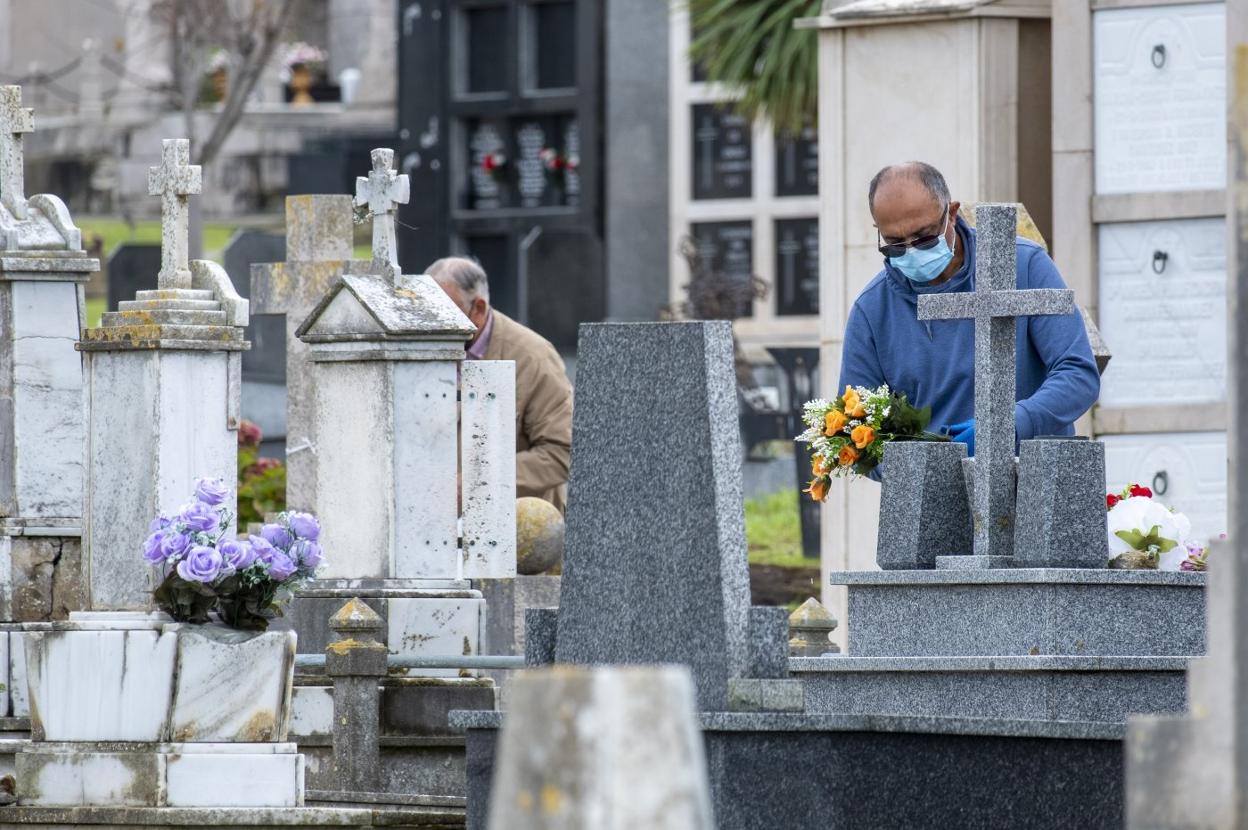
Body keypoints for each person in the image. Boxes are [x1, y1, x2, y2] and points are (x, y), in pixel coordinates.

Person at [838, 162, 1099, 460]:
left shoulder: (1024, 265)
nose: (911, 252)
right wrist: (923, 467)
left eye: (924, 238)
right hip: (932, 494)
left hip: (1035, 478)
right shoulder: (872, 310)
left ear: (951, 213)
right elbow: (855, 433)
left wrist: (1011, 425)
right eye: (894, 244)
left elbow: (1078, 374)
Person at [427, 256, 573, 512]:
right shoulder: (419, 347)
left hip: (517, 529)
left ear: (479, 309)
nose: (433, 326)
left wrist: (478, 481)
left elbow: (561, 453)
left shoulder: (534, 357)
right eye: (427, 313)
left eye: (446, 314)